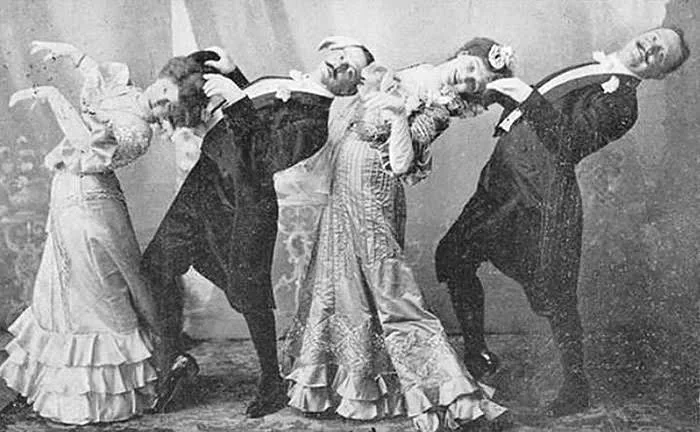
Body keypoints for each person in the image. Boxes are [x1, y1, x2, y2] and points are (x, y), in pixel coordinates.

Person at [435, 27, 690, 417]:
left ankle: (576, 386)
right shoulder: (595, 67)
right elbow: (539, 109)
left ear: (658, 74)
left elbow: (567, 141)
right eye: (654, 38)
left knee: (555, 298)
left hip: (538, 198)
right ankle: (477, 355)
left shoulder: (623, 103)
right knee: (454, 257)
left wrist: (525, 96)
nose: (650, 47)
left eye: (661, 55)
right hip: (503, 180)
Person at [283, 38, 514, 432]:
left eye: (475, 83)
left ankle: (452, 394)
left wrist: (395, 119)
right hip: (344, 181)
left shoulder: (441, 109)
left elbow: (403, 160)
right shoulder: (419, 74)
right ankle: (352, 383)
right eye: (472, 66)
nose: (467, 77)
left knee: (390, 290)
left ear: (472, 96)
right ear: (463, 54)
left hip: (371, 189)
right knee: (341, 276)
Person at [139, 37, 374, 417]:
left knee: (249, 292)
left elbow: (265, 154)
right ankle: (175, 359)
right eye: (341, 56)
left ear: (353, 87)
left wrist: (235, 95)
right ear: (328, 52)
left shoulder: (318, 119)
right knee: (157, 265)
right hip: (207, 181)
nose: (341, 66)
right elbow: (253, 113)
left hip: (246, 202)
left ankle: (271, 381)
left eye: (352, 69)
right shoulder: (286, 81)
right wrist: (236, 74)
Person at [0, 41, 177, 424]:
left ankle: (105, 394)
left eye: (168, 105)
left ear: (170, 117)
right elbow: (101, 81)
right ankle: (59, 388)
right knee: (60, 291)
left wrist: (50, 95)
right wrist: (71, 53)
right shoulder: (129, 94)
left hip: (91, 204)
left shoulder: (137, 132)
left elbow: (84, 141)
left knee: (99, 292)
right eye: (163, 88)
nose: (157, 99)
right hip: (68, 194)